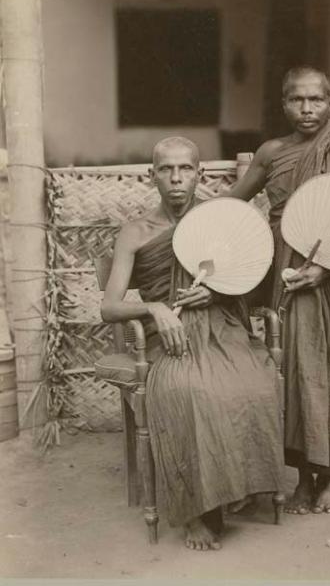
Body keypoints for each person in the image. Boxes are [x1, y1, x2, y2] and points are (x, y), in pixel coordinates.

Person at [227, 67, 330, 515]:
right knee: (298, 375)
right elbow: (232, 204)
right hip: (287, 273)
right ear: (283, 104)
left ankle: (327, 482)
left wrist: (325, 268)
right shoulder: (271, 152)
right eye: (297, 100)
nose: (307, 109)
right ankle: (303, 479)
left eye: (316, 100)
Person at [101, 136, 284, 550]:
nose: (176, 178)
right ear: (152, 176)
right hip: (170, 335)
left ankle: (233, 487)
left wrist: (216, 294)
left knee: (254, 382)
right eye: (166, 169)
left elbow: (252, 286)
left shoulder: (217, 223)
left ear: (199, 174)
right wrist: (154, 309)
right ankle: (196, 513)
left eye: (185, 169)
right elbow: (109, 308)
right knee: (186, 390)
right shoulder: (136, 232)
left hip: (220, 325)